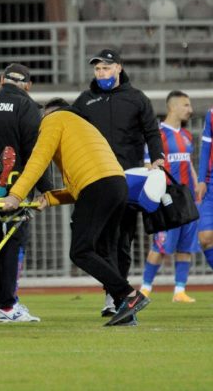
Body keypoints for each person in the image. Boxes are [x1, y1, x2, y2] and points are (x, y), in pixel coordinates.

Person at [1, 98, 150, 327]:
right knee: (105, 251)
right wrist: (49, 198)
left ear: (48, 113)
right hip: (118, 184)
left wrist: (15, 195)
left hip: (98, 186)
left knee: (81, 251)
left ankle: (129, 295)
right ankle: (126, 308)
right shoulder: (83, 125)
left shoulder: (53, 120)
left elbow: (38, 161)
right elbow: (81, 184)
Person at [73, 49, 164, 317]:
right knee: (102, 241)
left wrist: (157, 159)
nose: (101, 73)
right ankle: (115, 294)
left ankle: (116, 297)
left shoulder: (137, 99)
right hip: (97, 180)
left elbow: (152, 132)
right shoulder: (84, 101)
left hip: (129, 180)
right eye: (98, 69)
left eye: (106, 68)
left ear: (119, 68)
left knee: (123, 241)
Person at [0, 64, 52, 323]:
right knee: (11, 244)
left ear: (2, 80)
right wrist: (46, 189)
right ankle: (8, 306)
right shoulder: (27, 106)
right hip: (15, 189)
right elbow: (36, 154)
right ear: (27, 85)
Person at [140, 91, 202, 303]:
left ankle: (179, 291)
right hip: (168, 200)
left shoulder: (186, 135)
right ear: (172, 107)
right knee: (160, 246)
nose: (190, 110)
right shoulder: (157, 135)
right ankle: (145, 289)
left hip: (188, 199)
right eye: (186, 105)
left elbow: (188, 164)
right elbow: (148, 165)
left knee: (186, 246)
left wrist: (197, 187)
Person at [197, 106, 213, 272]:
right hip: (212, 183)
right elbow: (206, 148)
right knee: (205, 237)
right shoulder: (212, 114)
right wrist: (201, 180)